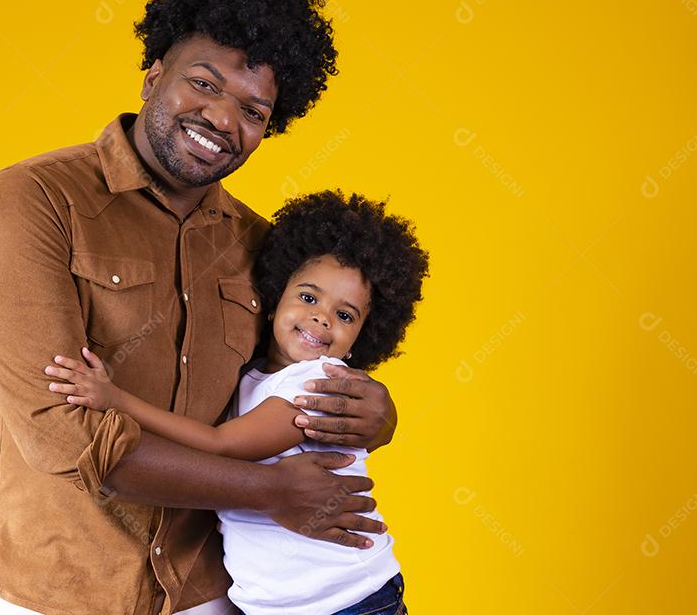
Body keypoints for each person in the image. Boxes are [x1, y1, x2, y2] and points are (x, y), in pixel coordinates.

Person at [0, 0, 401, 615]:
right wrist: (268, 492)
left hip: (212, 594)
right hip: (54, 591)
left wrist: (373, 413)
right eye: (203, 83)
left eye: (254, 113)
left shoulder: (265, 247)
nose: (223, 120)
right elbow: (64, 434)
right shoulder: (36, 200)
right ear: (152, 73)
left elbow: (297, 371)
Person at [47, 190, 429, 614]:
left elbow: (220, 445)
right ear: (273, 300)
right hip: (279, 605)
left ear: (361, 339)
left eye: (345, 315)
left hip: (348, 601)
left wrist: (115, 398)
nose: (322, 317)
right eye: (308, 297)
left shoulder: (317, 383)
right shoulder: (252, 375)